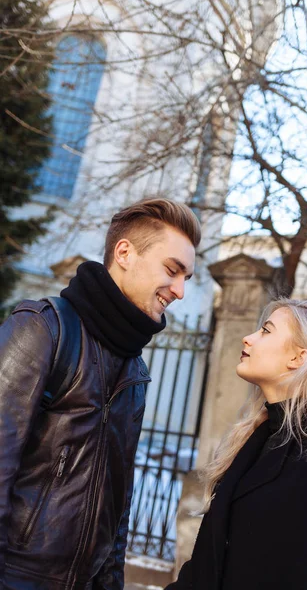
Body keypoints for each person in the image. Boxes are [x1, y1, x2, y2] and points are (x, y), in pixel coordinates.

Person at [0, 197, 200, 589]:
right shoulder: (44, 329)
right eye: (172, 271)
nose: (179, 291)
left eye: (186, 279)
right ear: (124, 252)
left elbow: (118, 503)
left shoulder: (134, 369)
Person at [167, 298, 307, 590]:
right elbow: (207, 568)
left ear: (299, 357)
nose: (247, 338)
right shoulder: (254, 440)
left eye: (265, 330)